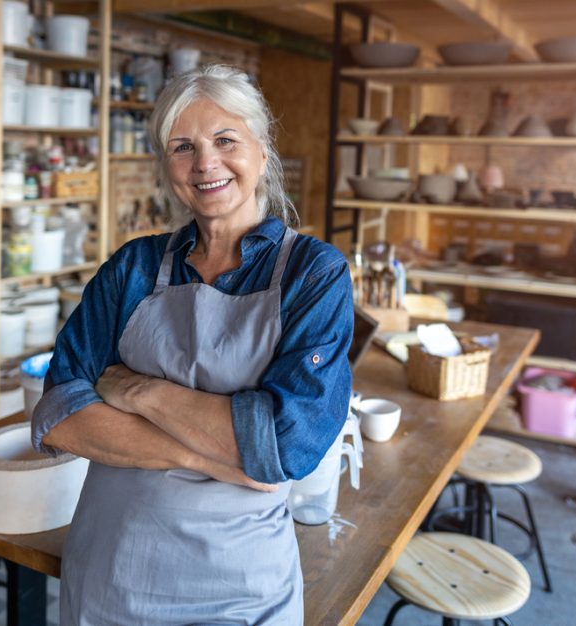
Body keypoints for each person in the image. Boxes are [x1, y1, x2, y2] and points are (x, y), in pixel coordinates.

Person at [31, 64, 353, 625]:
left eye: (225, 140)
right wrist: (205, 456)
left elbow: (284, 449)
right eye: (183, 146)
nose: (205, 163)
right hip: (111, 575)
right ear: (167, 164)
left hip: (242, 590)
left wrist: (141, 394)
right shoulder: (132, 267)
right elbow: (60, 414)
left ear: (261, 148)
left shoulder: (313, 274)